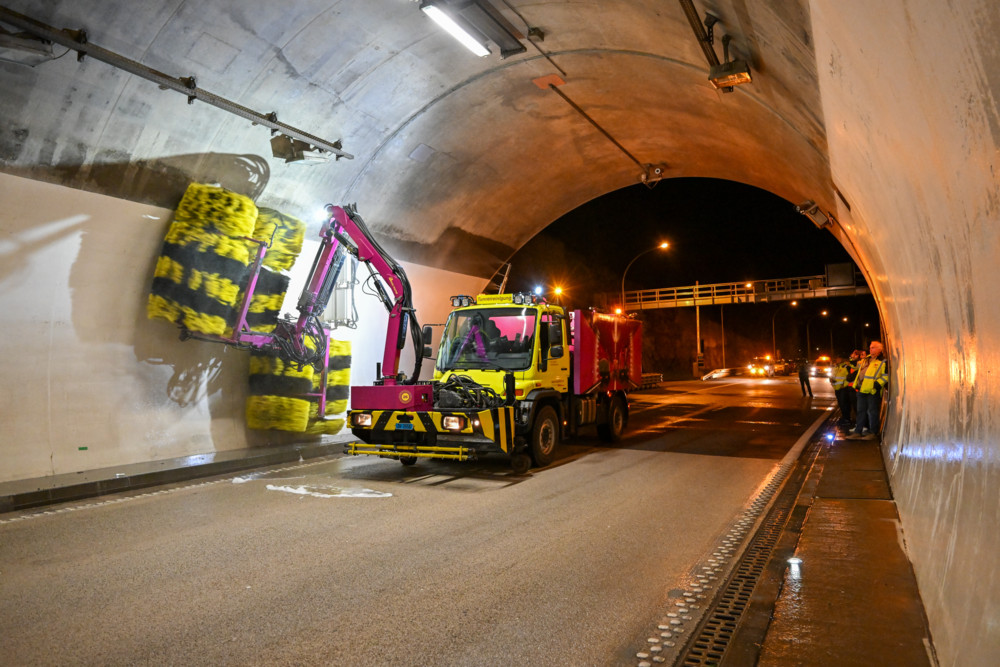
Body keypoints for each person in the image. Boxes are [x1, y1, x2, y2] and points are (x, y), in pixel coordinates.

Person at [847, 341, 889, 440]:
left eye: (873, 347)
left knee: (872, 412)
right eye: (870, 347)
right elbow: (854, 367)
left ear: (879, 350)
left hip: (872, 391)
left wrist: (876, 385)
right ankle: (858, 432)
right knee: (860, 411)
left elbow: (886, 376)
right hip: (861, 389)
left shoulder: (883, 361)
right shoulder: (866, 359)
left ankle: (873, 433)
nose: (870, 349)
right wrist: (852, 358)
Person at [830, 350, 861, 428]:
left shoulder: (847, 366)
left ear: (842, 359)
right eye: (836, 358)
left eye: (838, 358)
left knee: (845, 404)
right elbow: (832, 375)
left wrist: (844, 385)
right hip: (837, 388)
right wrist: (831, 379)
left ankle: (847, 419)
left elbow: (852, 373)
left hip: (844, 388)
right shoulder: (835, 367)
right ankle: (844, 418)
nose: (837, 360)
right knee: (841, 404)